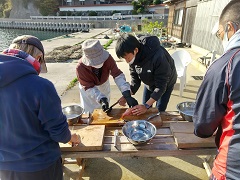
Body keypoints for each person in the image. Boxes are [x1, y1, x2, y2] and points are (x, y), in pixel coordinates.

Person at [0, 35, 80, 180]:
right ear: (37, 58)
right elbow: (58, 131)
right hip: (40, 167)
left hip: (4, 167)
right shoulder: (42, 87)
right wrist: (71, 137)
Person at [193, 0, 240, 179]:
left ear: (230, 28)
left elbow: (203, 126)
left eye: (220, 34)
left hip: (232, 170)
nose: (221, 39)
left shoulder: (225, 66)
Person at [115, 34, 177, 115]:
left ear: (136, 50)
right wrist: (126, 96)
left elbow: (161, 86)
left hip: (166, 84)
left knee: (159, 111)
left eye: (127, 58)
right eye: (124, 58)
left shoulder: (158, 56)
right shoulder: (133, 59)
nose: (127, 61)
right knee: (143, 111)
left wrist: (146, 105)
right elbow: (135, 81)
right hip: (149, 82)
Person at [76, 39, 138, 113]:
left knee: (104, 111)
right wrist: (101, 98)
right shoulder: (80, 67)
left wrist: (126, 93)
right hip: (89, 91)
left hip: (104, 86)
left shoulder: (108, 58)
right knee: (89, 113)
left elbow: (117, 75)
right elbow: (88, 87)